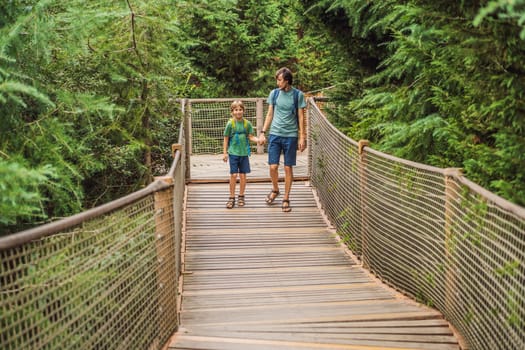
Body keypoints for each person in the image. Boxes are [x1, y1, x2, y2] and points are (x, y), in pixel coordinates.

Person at [259, 67, 306, 212]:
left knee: (287, 167)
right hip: (275, 134)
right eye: (277, 80)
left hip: (291, 135)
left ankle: (286, 197)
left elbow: (301, 117)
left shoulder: (297, 95)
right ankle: (275, 189)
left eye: (279, 80)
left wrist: (302, 137)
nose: (277, 82)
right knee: (273, 167)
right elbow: (269, 114)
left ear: (287, 80)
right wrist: (262, 132)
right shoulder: (274, 94)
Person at [223, 100, 259, 209]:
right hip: (233, 153)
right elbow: (226, 138)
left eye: (240, 110)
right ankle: (231, 197)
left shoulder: (247, 124)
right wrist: (225, 153)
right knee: (234, 175)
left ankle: (241, 196)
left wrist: (258, 140)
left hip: (243, 153)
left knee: (243, 175)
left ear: (243, 111)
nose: (238, 112)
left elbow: (251, 136)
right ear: (232, 112)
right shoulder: (230, 124)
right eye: (236, 110)